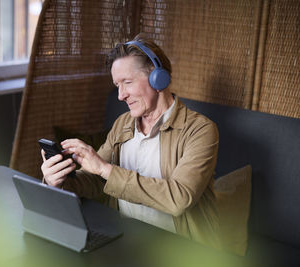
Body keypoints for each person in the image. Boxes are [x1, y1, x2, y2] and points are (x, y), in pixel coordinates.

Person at [41, 34, 220, 248]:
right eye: (117, 85)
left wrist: (104, 168)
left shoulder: (200, 130)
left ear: (158, 78)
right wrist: (59, 180)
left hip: (179, 250)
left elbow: (179, 198)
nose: (120, 95)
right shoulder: (123, 123)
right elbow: (98, 181)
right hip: (127, 240)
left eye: (127, 82)